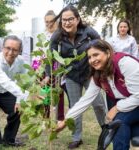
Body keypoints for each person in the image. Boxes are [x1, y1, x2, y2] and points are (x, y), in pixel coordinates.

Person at [56, 39, 139, 150]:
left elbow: (138, 96)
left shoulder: (125, 63)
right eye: (89, 57)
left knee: (119, 122)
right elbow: (85, 100)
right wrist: (66, 121)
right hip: (128, 105)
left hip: (136, 101)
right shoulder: (99, 75)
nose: (92, 60)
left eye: (96, 55)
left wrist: (116, 108)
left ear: (108, 53)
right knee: (126, 130)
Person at [45, 5, 106, 149]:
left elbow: (102, 46)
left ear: (77, 19)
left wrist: (102, 68)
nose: (67, 22)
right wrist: (48, 75)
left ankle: (106, 130)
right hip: (72, 75)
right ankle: (76, 137)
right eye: (64, 20)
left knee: (98, 104)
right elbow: (50, 57)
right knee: (75, 106)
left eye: (70, 19)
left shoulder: (87, 31)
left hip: (90, 73)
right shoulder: (57, 35)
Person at [0, 35, 29, 150]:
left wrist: (20, 100)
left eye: (15, 49)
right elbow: (5, 82)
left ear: (19, 51)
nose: (10, 52)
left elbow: (26, 80)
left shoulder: (21, 61)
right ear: (2, 48)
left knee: (17, 110)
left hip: (5, 92)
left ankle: (8, 140)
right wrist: (20, 95)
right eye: (8, 48)